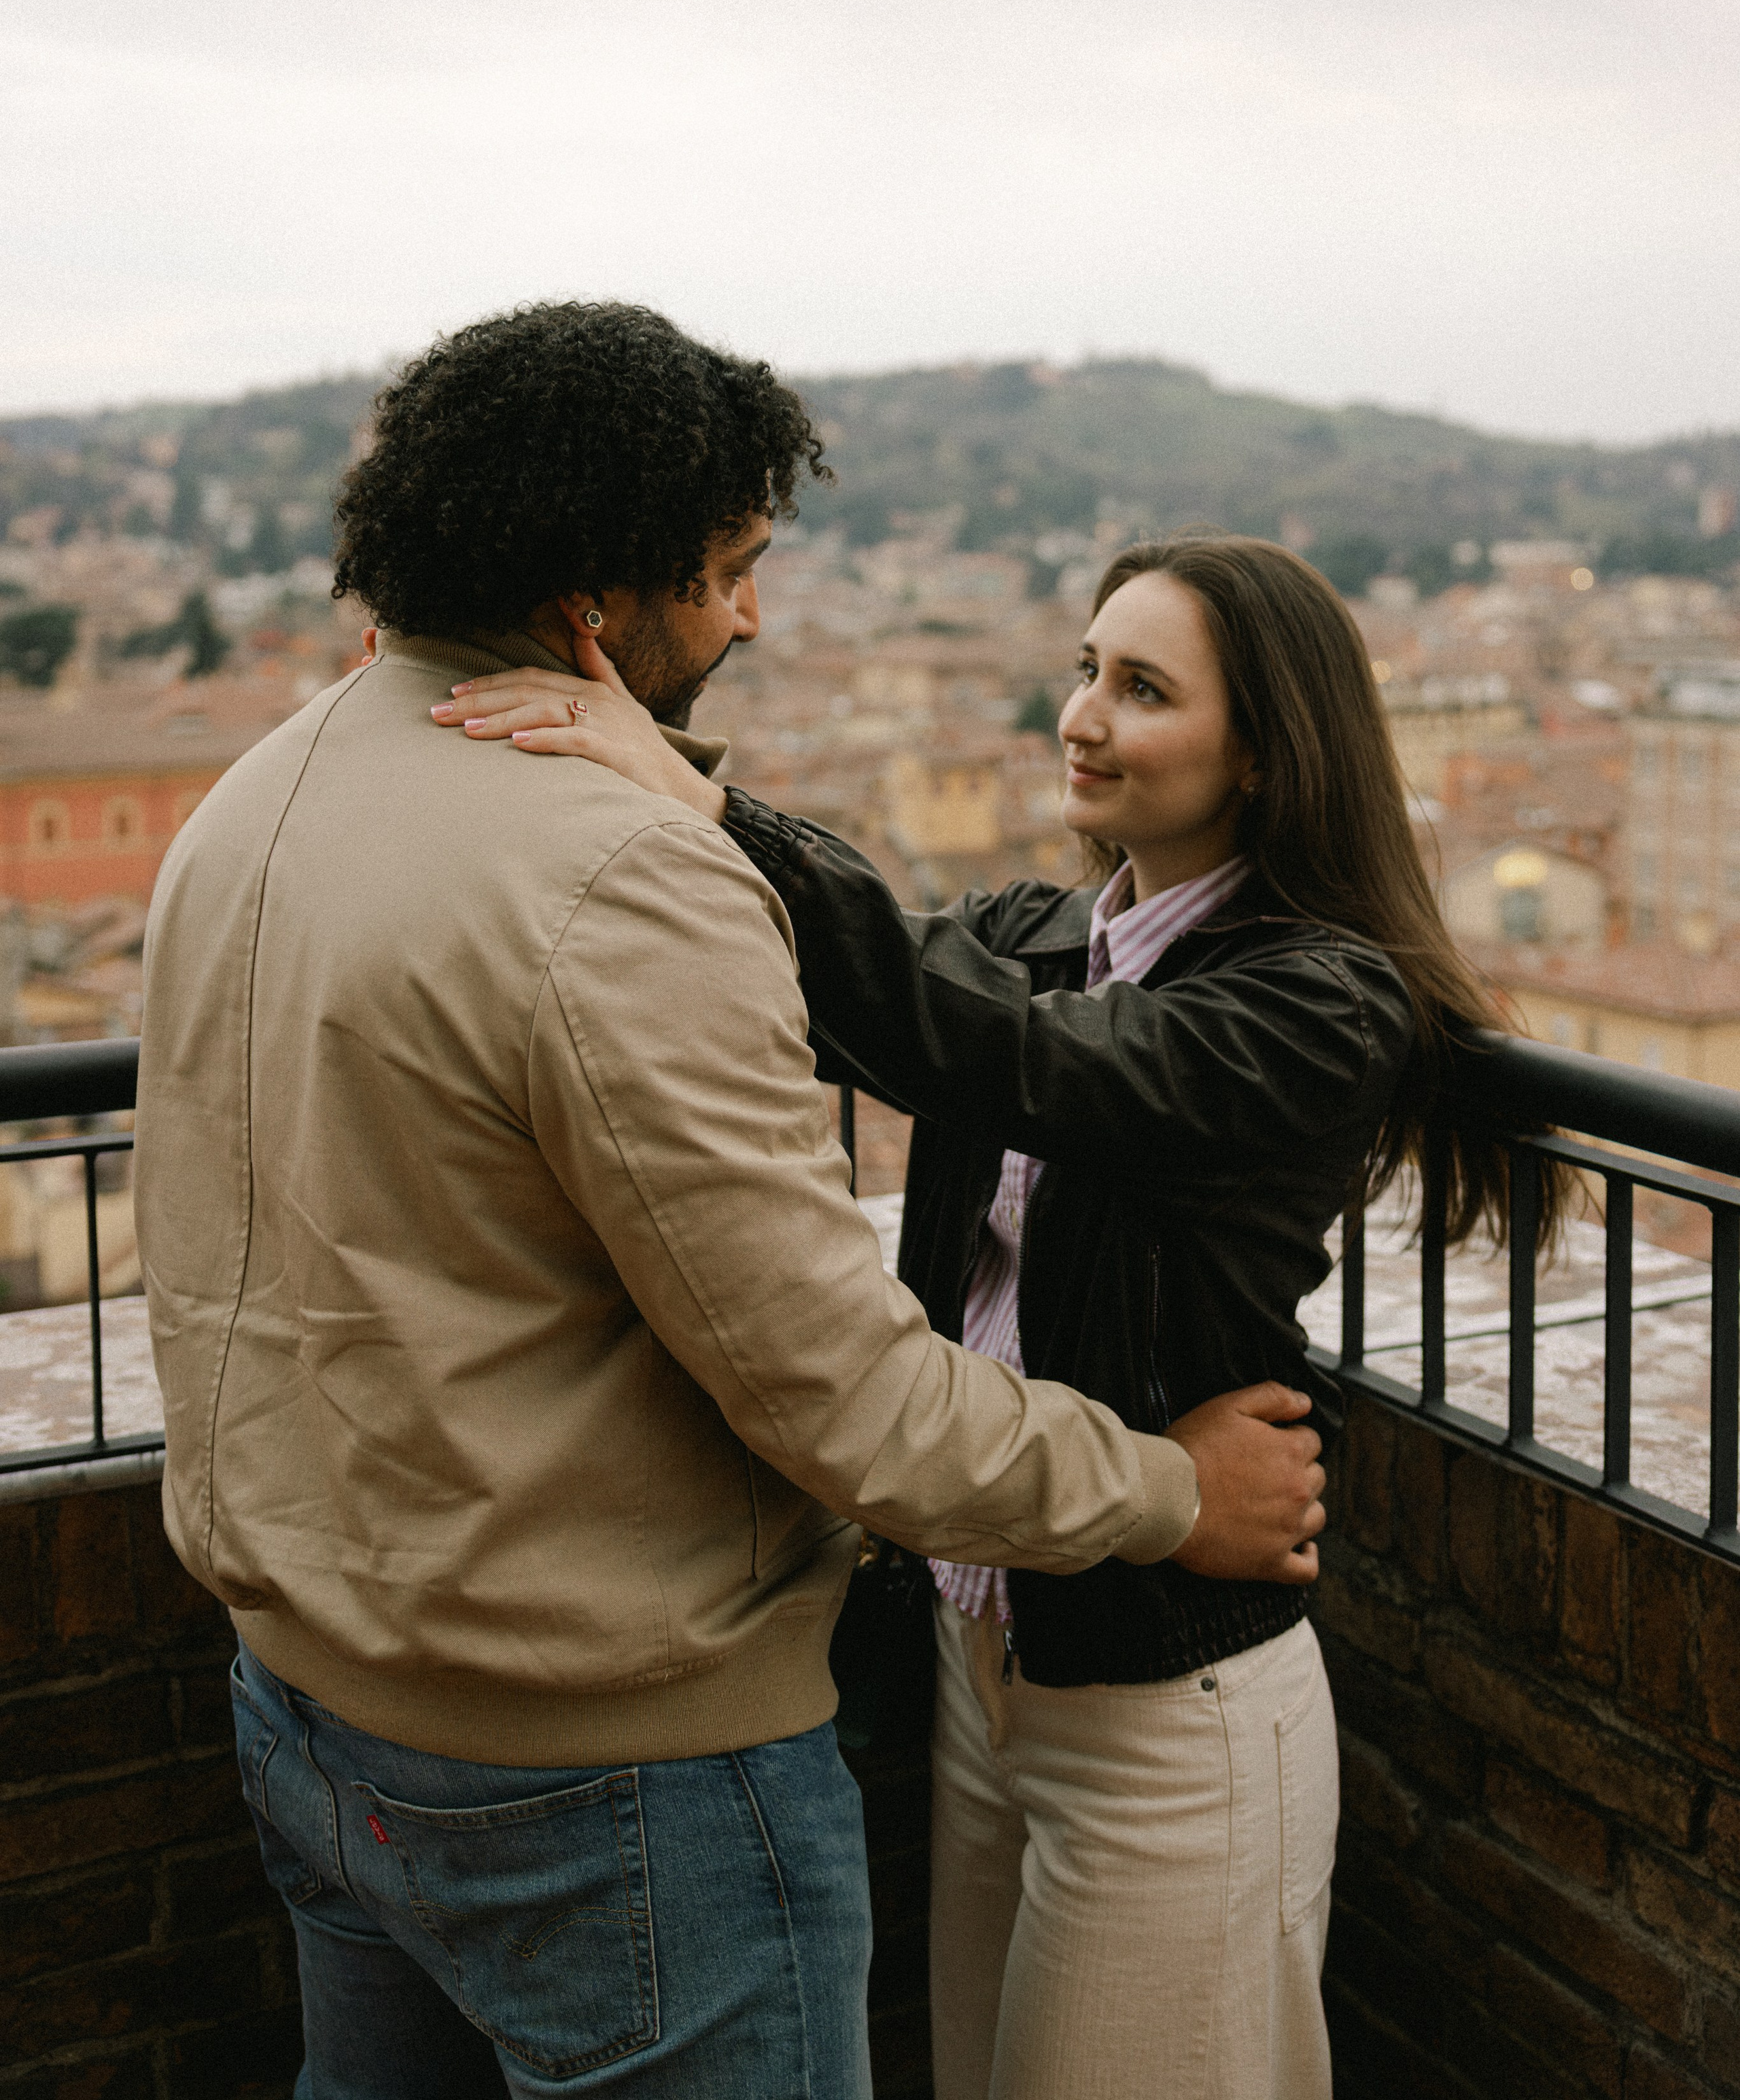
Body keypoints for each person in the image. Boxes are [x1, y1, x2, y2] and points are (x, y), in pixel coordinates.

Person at [134, 307, 1327, 2100]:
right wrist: (1169, 1485)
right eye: (732, 568)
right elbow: (845, 1397)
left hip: (309, 1708)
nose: (758, 615)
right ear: (602, 608)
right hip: (608, 1765)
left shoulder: (247, 796)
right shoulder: (619, 872)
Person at [442, 525, 1532, 2100]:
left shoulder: (1320, 994)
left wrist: (707, 799)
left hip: (1172, 1694)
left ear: (1262, 750)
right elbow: (878, 995)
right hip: (989, 1653)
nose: (1080, 714)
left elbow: (1024, 1059)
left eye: (1142, 686)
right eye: (1083, 669)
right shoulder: (1039, 931)